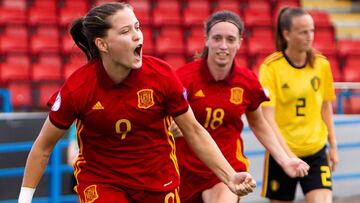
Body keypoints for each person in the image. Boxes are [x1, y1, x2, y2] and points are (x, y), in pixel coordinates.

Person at [18, 2, 258, 203]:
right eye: (125, 32)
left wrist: (230, 176)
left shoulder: (162, 76)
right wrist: (24, 199)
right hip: (103, 183)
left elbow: (194, 131)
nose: (137, 35)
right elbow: (43, 147)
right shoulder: (78, 88)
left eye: (137, 27)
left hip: (157, 182)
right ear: (102, 44)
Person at [171, 10, 310, 203]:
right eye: (217, 38)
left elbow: (259, 124)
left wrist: (285, 159)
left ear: (239, 43)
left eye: (230, 39)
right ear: (207, 40)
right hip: (185, 170)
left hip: (228, 168)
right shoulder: (183, 78)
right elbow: (163, 121)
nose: (223, 46)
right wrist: (170, 129)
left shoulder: (247, 82)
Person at [259, 7, 339, 203]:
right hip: (282, 153)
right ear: (286, 34)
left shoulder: (321, 65)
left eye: (312, 30)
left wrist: (334, 147)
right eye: (303, 31)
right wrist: (287, 156)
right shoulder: (271, 67)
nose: (309, 36)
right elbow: (267, 117)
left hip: (316, 150)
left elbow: (325, 107)